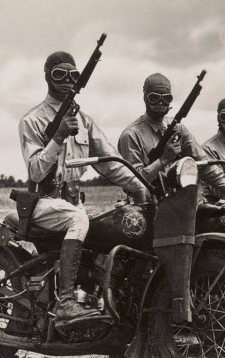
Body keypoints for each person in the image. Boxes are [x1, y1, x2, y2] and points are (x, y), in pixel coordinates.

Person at [18, 51, 146, 330]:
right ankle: (65, 303)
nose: (67, 81)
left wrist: (139, 185)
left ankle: (100, 299)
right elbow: (36, 171)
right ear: (47, 77)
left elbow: (111, 162)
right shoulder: (33, 120)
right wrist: (58, 136)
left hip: (73, 203)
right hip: (43, 201)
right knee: (79, 220)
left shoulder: (84, 121)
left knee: (112, 226)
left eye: (73, 75)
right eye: (59, 74)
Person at [118, 73, 225, 195]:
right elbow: (132, 182)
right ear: (145, 98)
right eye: (154, 98)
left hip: (182, 199)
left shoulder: (178, 128)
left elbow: (205, 166)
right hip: (147, 201)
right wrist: (163, 161)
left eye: (166, 98)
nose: (160, 103)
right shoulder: (131, 135)